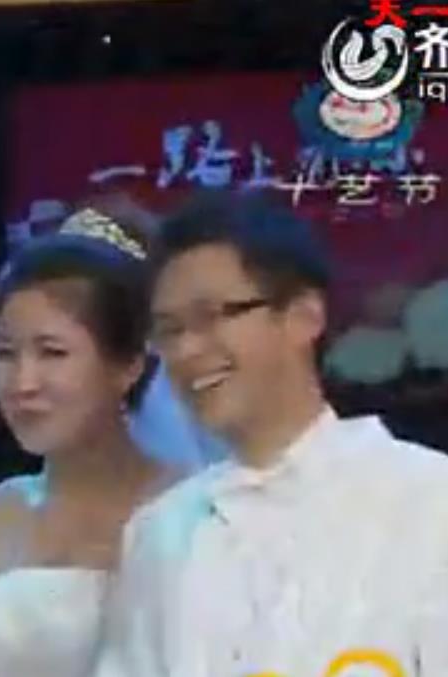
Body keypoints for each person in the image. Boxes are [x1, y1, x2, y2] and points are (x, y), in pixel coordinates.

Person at [95, 192, 448, 677]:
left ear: (304, 316)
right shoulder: (159, 534)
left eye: (210, 316)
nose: (187, 351)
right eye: (169, 331)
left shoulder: (427, 500)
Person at [0, 203, 208, 677]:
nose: (23, 383)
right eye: (5, 353)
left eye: (52, 353)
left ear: (129, 365)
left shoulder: (190, 509)